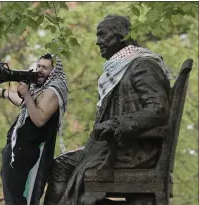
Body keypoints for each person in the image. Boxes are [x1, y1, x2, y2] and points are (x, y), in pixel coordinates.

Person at [44, 15, 171, 205]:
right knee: (62, 166)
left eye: (103, 35)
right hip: (118, 146)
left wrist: (117, 123)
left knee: (62, 167)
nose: (98, 41)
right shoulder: (121, 68)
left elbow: (158, 109)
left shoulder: (142, 65)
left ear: (120, 36)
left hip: (134, 150)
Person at [0, 53, 68, 205]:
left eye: (44, 68)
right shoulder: (42, 89)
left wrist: (26, 94)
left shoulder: (53, 91)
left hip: (23, 150)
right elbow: (25, 103)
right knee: (13, 197)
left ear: (54, 71)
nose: (39, 70)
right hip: (17, 149)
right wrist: (4, 93)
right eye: (38, 66)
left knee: (15, 199)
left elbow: (38, 119)